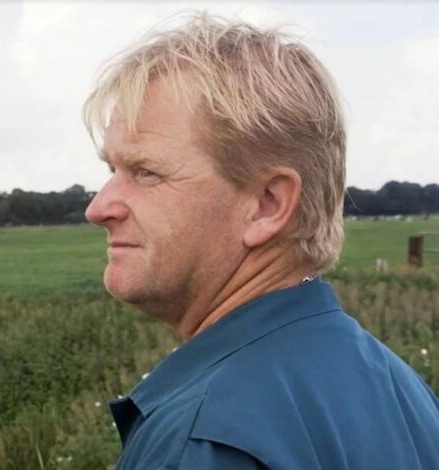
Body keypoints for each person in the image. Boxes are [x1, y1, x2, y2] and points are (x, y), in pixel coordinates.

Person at [82, 13, 439, 469]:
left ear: (268, 204)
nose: (99, 208)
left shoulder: (203, 442)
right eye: (112, 170)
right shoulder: (398, 388)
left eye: (146, 172)